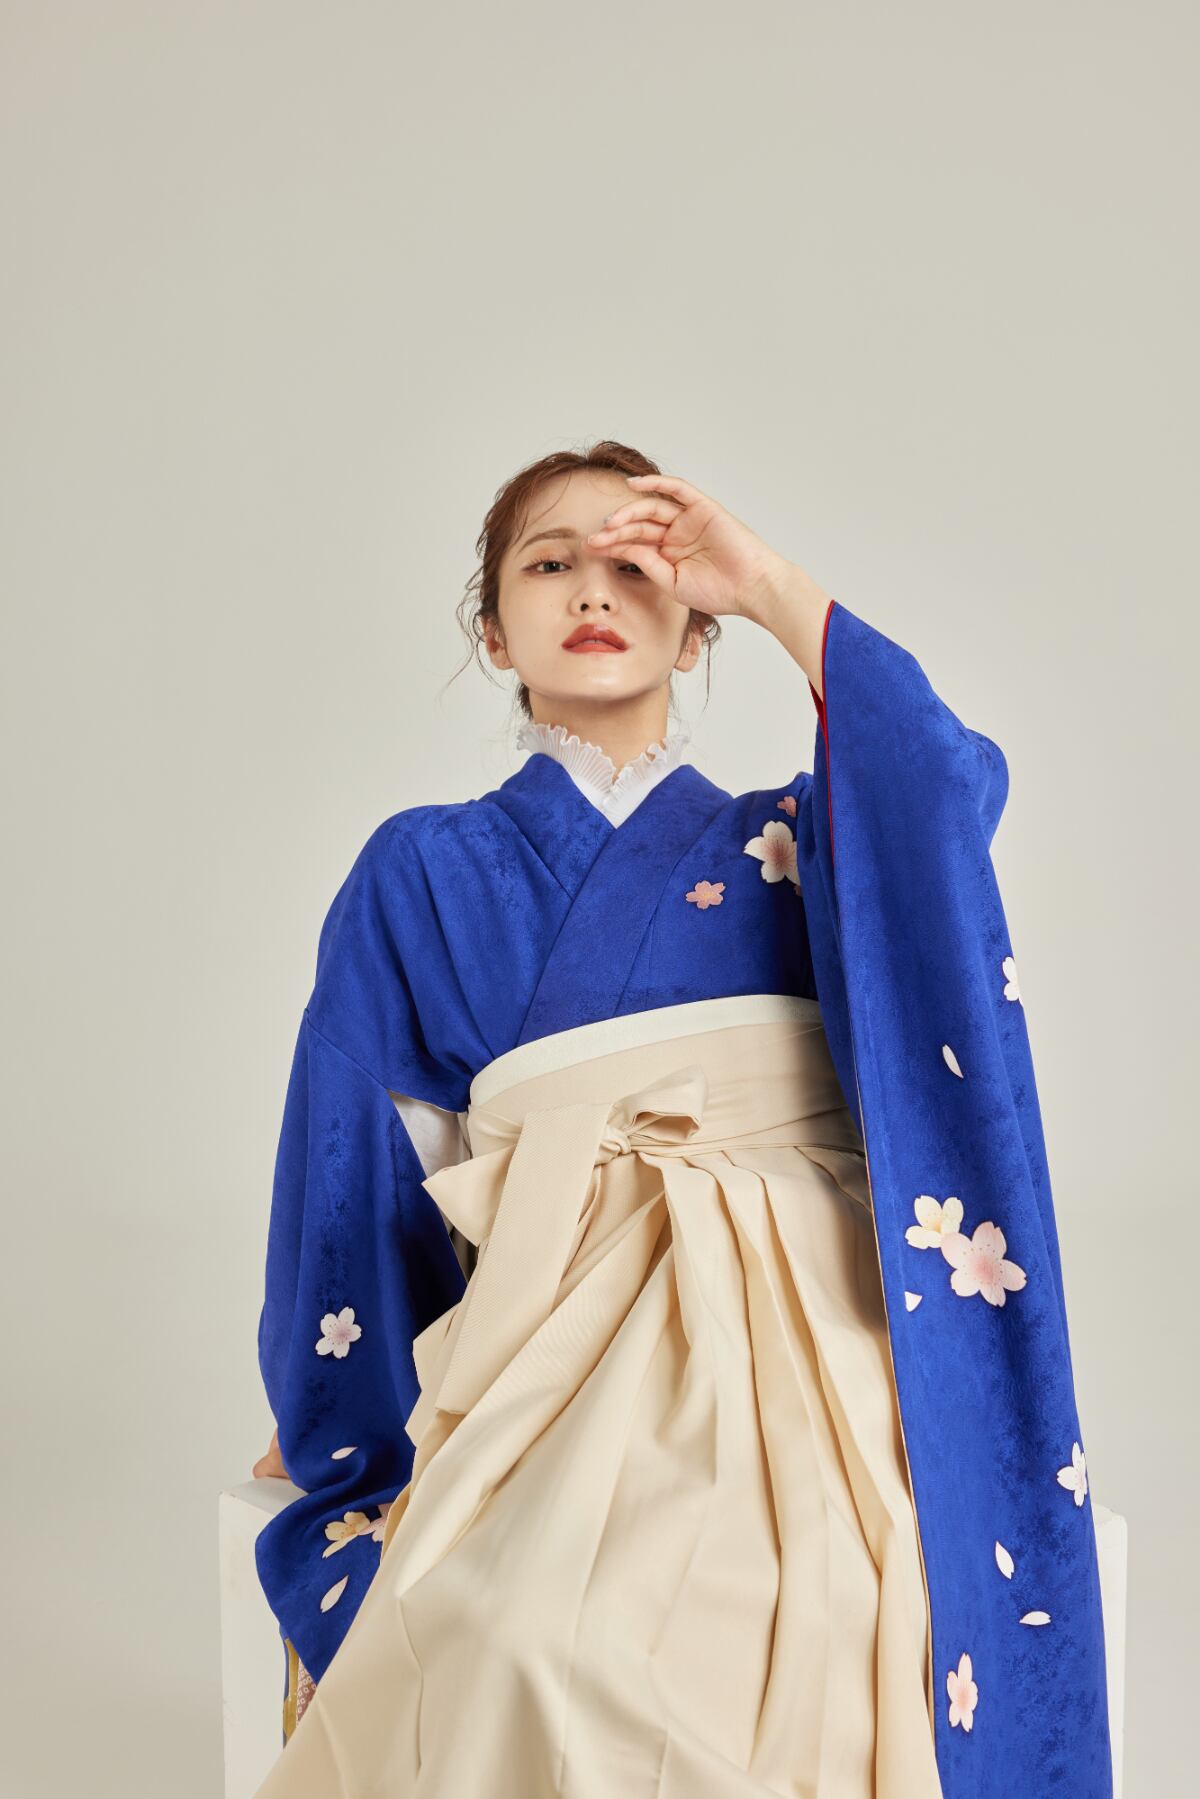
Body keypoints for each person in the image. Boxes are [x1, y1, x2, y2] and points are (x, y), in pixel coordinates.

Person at [248, 445, 1113, 1797]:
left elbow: (946, 793)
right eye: (549, 565)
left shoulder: (796, 841)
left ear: (696, 624)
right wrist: (351, 1422)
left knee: (846, 1608)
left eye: (636, 568)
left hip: (799, 1330)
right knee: (518, 1631)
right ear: (494, 630)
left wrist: (770, 586)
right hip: (552, 1335)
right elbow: (358, 1160)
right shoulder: (422, 865)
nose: (593, 593)